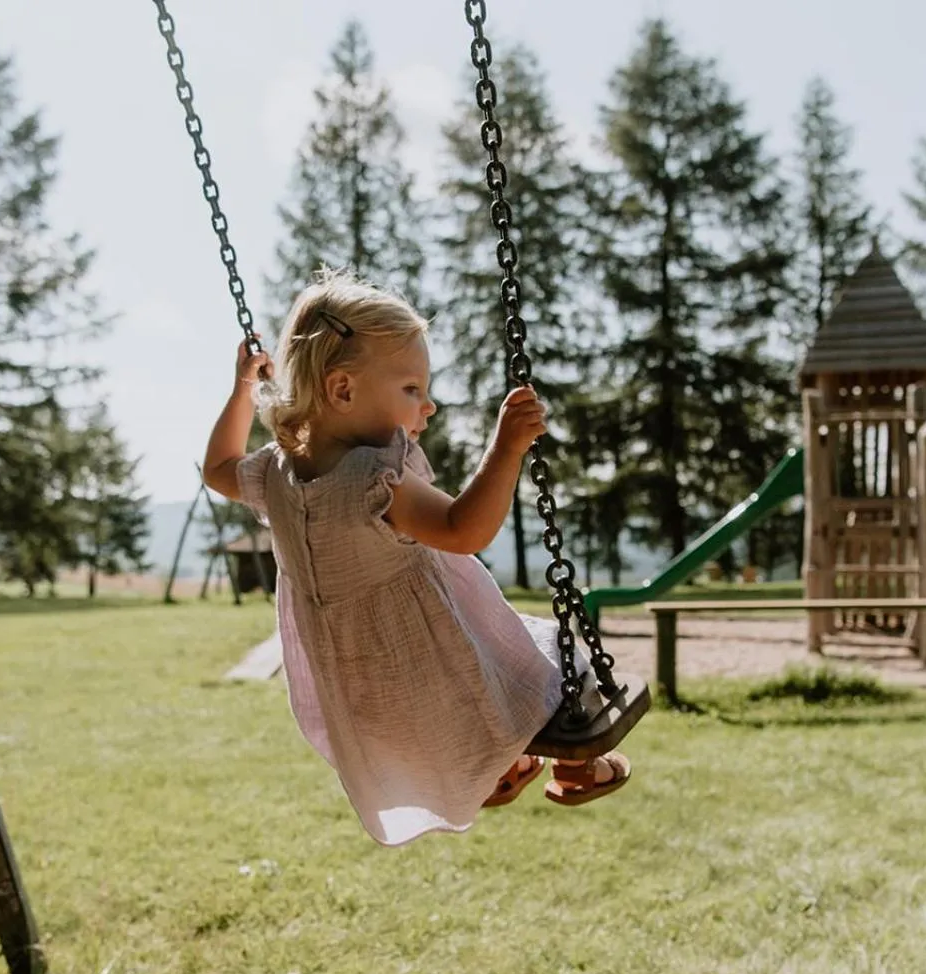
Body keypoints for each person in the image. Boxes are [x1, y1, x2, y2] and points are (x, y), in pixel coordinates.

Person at [203, 270, 630, 846]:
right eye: (411, 389)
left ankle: (498, 772)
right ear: (343, 389)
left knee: (442, 716)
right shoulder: (374, 478)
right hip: (435, 649)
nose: (426, 406)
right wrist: (505, 450)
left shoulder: (277, 474)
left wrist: (240, 392)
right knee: (549, 665)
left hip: (360, 678)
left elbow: (218, 469)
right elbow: (463, 528)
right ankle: (578, 768)